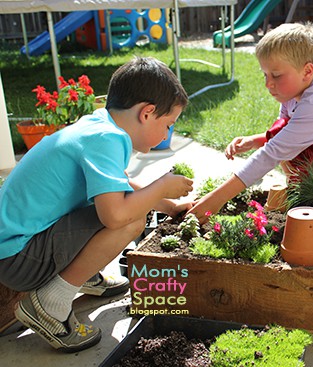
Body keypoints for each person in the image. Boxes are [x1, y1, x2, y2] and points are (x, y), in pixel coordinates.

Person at [0, 57, 193, 352]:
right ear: (147, 112)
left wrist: (166, 204)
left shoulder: (98, 125)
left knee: (123, 206)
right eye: (168, 125)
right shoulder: (108, 139)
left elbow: (117, 185)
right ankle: (50, 304)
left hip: (16, 245)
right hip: (20, 259)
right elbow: (115, 215)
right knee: (131, 220)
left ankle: (80, 272)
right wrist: (160, 186)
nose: (167, 134)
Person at [189, 22, 313, 223]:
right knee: (283, 135)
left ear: (307, 71)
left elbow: (272, 153)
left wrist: (216, 199)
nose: (268, 83)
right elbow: (281, 132)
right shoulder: (296, 92)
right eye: (265, 75)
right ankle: (309, 195)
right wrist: (256, 140)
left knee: (294, 155)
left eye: (276, 75)